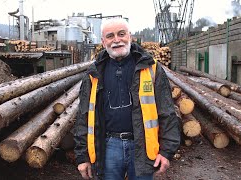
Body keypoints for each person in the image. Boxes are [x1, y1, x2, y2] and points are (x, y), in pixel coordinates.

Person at [74, 18, 181, 180]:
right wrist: (82, 157)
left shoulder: (150, 68)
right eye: (110, 36)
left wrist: (166, 151)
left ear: (130, 36)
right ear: (103, 42)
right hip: (108, 147)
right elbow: (83, 117)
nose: (116, 40)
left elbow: (167, 112)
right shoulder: (94, 73)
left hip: (144, 147)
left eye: (121, 34)